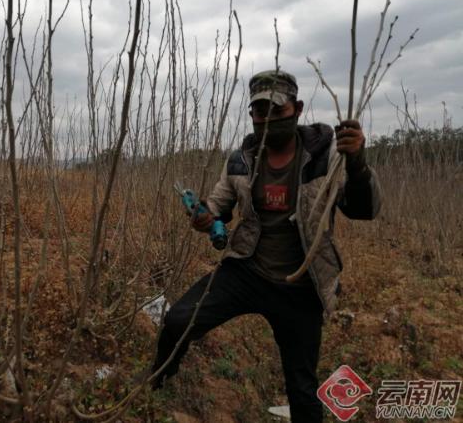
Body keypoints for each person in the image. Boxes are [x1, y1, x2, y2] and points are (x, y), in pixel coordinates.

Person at [151, 70, 382, 422]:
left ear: (298, 109)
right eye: (260, 113)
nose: (268, 120)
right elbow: (218, 206)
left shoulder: (327, 156)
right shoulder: (241, 160)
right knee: (178, 320)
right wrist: (204, 216)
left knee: (302, 388)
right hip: (246, 270)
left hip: (301, 284)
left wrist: (359, 163)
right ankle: (156, 382)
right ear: (252, 116)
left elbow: (364, 210)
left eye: (277, 111)